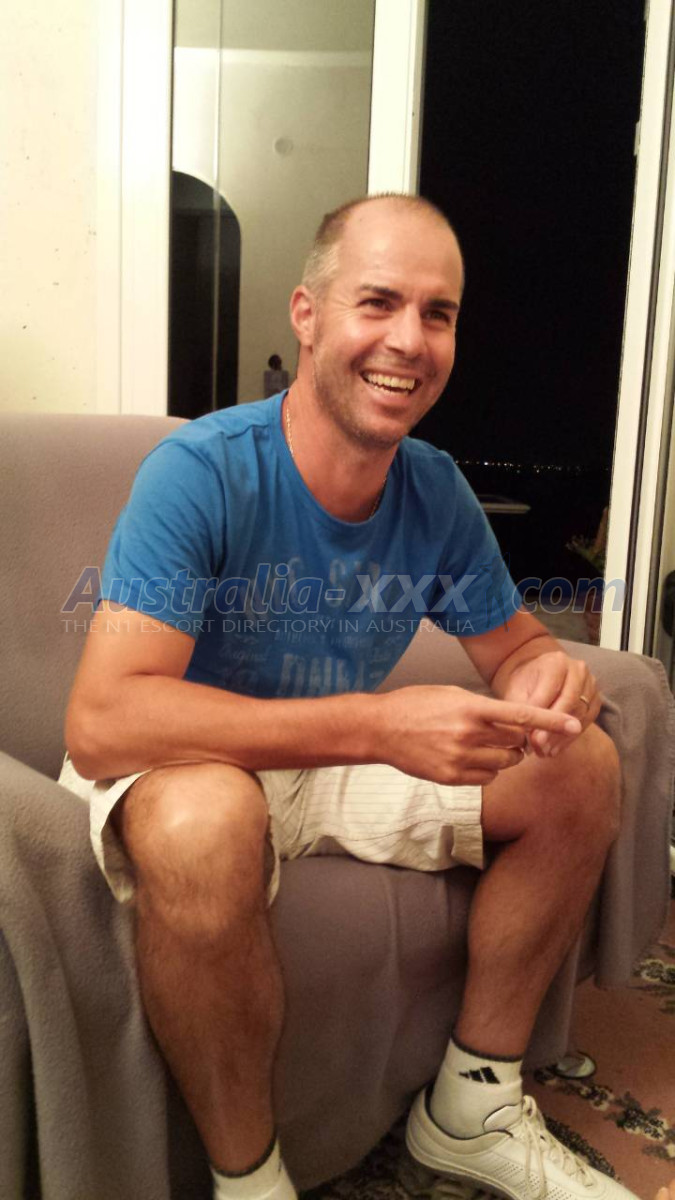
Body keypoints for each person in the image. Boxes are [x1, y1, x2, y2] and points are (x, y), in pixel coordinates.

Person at [61, 194, 636, 1200]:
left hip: (329, 766)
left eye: (437, 313)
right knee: (206, 819)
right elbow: (105, 722)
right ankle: (249, 1181)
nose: (409, 340)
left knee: (579, 768)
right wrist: (377, 723)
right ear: (308, 314)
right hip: (186, 768)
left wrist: (546, 678)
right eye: (378, 302)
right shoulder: (199, 472)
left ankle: (472, 1109)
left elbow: (516, 646)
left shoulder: (436, 489)